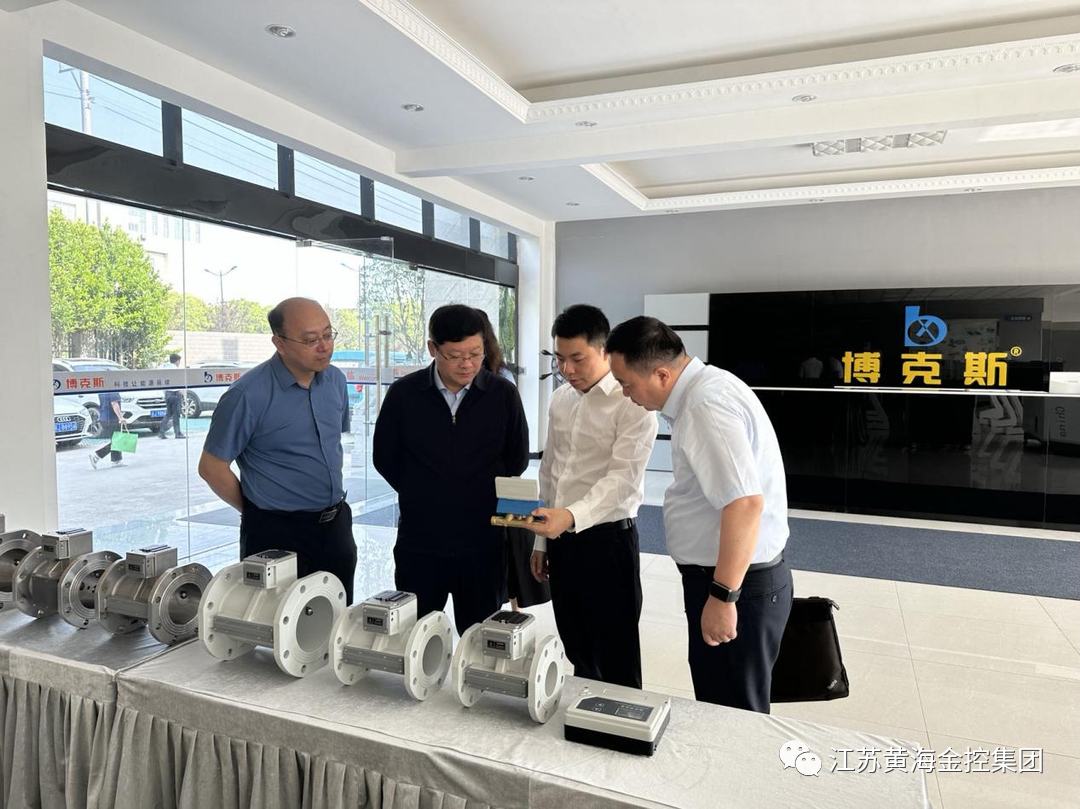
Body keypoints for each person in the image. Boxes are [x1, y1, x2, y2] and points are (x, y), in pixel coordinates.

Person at [606, 316, 792, 713]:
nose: (625, 393)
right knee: (721, 701)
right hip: (732, 579)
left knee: (732, 713)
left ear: (661, 374)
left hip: (737, 585)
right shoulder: (705, 390)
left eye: (626, 383)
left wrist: (723, 596)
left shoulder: (706, 405)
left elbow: (744, 503)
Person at [522, 304, 657, 688]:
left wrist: (570, 516)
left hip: (608, 541)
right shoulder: (561, 400)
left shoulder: (632, 403)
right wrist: (541, 542)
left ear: (604, 351)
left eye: (577, 359)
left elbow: (623, 479)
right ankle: (584, 714)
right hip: (561, 540)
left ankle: (620, 719)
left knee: (616, 654)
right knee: (576, 644)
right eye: (559, 358)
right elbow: (551, 471)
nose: (567, 369)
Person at [373, 304, 528, 636]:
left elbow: (517, 459)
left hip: (483, 543)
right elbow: (384, 457)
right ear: (433, 349)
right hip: (421, 541)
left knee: (480, 636)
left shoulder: (502, 394)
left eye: (475, 354)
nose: (467, 364)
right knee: (417, 633)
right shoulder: (404, 394)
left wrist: (476, 492)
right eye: (455, 356)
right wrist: (423, 491)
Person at [198, 298, 357, 602]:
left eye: (328, 335)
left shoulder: (335, 381)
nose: (324, 346)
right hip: (276, 534)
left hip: (335, 526)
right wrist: (256, 513)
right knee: (275, 621)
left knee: (337, 616)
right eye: (311, 340)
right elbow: (211, 467)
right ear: (279, 343)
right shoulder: (248, 394)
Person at [474, 307, 551, 613]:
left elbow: (517, 449)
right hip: (496, 484)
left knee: (505, 547)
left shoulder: (500, 383)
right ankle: (510, 607)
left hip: (497, 485)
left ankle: (512, 607)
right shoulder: (501, 375)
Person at [89, 391, 127, 469]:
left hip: (104, 418)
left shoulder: (102, 390)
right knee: (116, 441)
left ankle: (116, 461)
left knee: (115, 440)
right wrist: (121, 417)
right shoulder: (112, 390)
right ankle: (97, 456)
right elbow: (114, 404)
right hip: (111, 419)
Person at [159, 352, 186, 439]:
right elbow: (179, 382)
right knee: (176, 415)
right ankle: (178, 433)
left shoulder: (164, 368)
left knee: (168, 414)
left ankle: (161, 432)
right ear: (177, 361)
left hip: (167, 393)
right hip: (175, 394)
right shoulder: (176, 369)